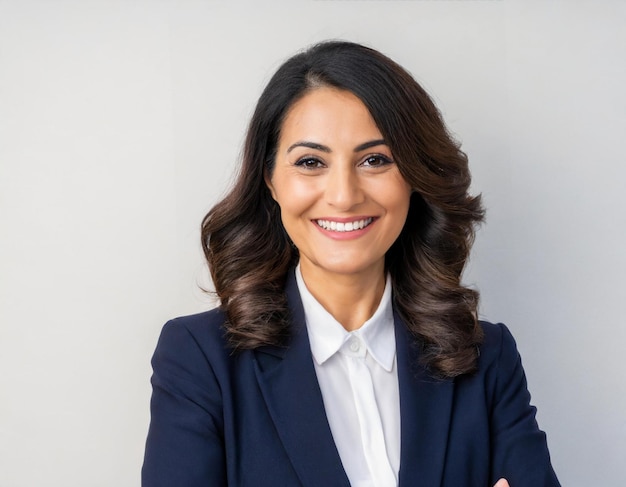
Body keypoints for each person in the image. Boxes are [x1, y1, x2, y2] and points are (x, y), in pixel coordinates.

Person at [142, 41, 560, 487]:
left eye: (375, 160)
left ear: (414, 177)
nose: (343, 195)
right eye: (310, 162)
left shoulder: (487, 358)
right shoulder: (199, 359)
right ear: (271, 181)